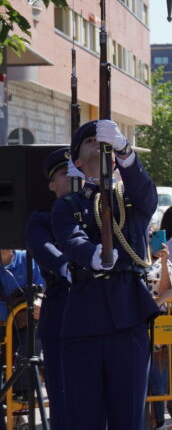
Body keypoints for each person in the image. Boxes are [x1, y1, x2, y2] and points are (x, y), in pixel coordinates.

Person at [51, 119, 160, 429]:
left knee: (128, 418)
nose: (99, 144)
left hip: (128, 319)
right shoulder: (68, 205)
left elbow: (147, 195)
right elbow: (70, 238)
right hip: (83, 323)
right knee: (84, 418)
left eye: (105, 142)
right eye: (90, 141)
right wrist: (94, 255)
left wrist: (126, 152)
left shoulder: (130, 201)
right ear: (76, 161)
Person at [26, 147, 74, 429]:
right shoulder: (42, 219)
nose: (71, 177)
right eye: (63, 173)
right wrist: (71, 268)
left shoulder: (97, 214)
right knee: (64, 402)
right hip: (62, 315)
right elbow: (43, 250)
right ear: (52, 185)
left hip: (98, 317)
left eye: (75, 171)